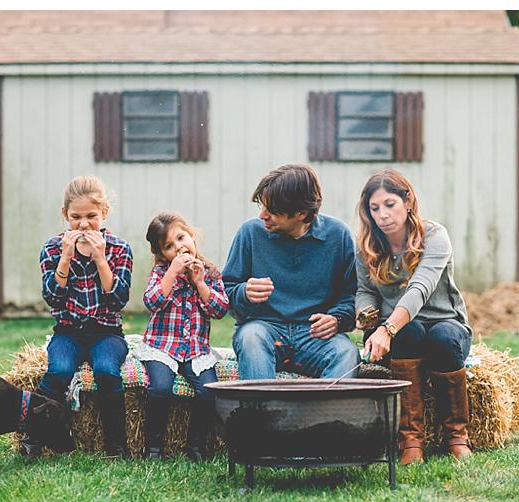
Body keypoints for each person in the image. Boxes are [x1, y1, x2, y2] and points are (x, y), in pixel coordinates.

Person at [355, 168, 473, 464]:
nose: (382, 215)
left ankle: (457, 437)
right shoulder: (368, 247)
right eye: (375, 208)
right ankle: (411, 442)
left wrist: (387, 329)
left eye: (390, 204)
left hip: (445, 323)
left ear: (407, 202)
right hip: (403, 332)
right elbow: (365, 290)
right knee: (411, 332)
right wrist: (366, 314)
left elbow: (420, 288)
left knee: (441, 337)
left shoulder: (434, 236)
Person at [22, 175, 133, 458]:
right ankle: (33, 438)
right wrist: (66, 258)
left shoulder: (119, 248)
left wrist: (100, 258)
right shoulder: (52, 248)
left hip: (107, 332)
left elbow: (118, 298)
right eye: (76, 217)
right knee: (58, 371)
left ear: (104, 213)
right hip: (68, 331)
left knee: (107, 371)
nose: (83, 224)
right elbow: (52, 297)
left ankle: (116, 446)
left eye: (91, 216)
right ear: (65, 215)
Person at [223, 164, 360, 380]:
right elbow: (224, 294)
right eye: (262, 207)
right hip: (264, 329)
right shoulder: (250, 233)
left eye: (272, 211)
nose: (262, 215)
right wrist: (243, 292)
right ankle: (263, 413)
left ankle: (328, 415)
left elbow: (352, 295)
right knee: (250, 338)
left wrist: (336, 319)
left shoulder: (338, 235)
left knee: (347, 353)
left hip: (314, 335)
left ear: (301, 213)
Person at [138, 212, 229, 461]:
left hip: (195, 349)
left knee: (209, 392)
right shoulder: (161, 273)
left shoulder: (210, 273)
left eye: (181, 238)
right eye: (169, 246)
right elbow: (152, 301)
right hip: (162, 346)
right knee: (160, 388)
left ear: (192, 235)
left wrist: (200, 284)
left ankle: (196, 446)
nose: (179, 247)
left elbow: (220, 309)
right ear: (162, 254)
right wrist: (172, 273)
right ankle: (153, 447)